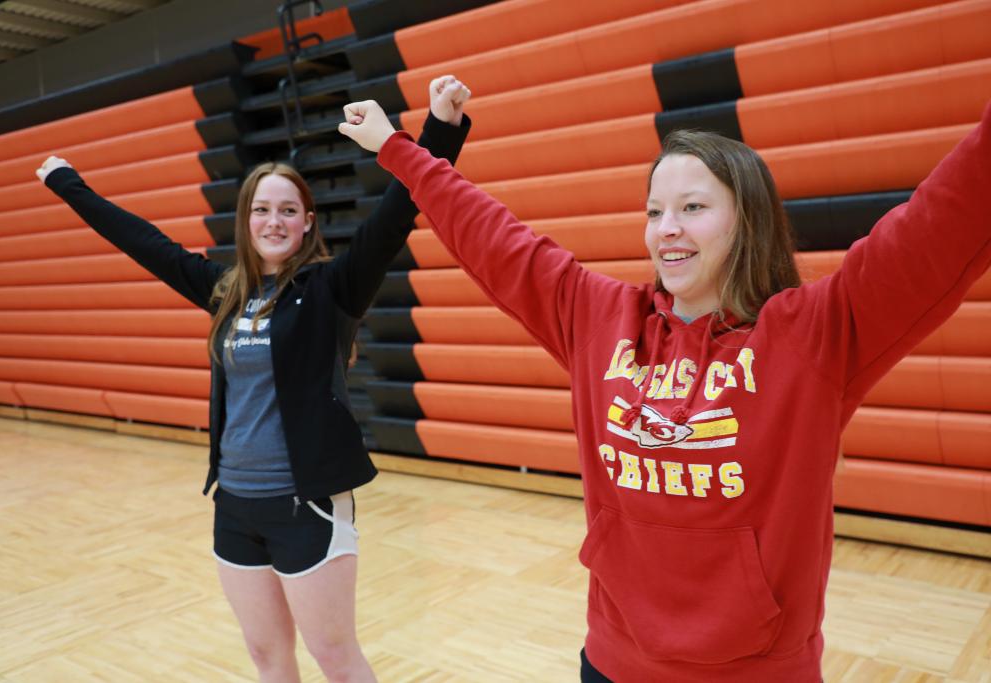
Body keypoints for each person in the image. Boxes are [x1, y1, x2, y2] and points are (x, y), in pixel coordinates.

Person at [337, 98, 991, 681]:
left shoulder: (812, 333)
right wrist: (399, 148)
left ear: (748, 220)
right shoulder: (596, 316)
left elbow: (942, 223)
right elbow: (490, 235)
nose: (666, 228)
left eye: (693, 207)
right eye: (655, 211)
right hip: (615, 663)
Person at [37, 76, 471, 683]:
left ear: (306, 222)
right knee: (268, 659)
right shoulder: (223, 292)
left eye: (287, 210)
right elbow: (142, 241)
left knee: (336, 659)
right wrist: (67, 185)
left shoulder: (330, 291)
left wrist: (441, 129)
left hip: (306, 507)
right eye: (261, 209)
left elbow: (398, 212)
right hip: (235, 507)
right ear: (245, 220)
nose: (273, 221)